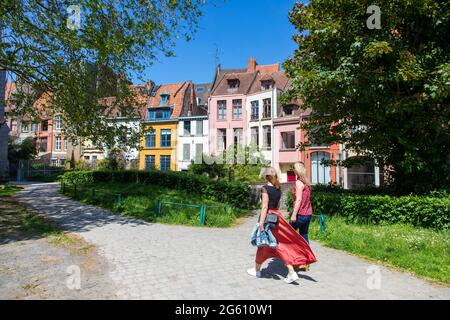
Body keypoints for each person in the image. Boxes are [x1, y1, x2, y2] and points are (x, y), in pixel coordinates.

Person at [247, 166, 317, 284]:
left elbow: (264, 207)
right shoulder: (278, 188)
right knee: (271, 245)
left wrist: (261, 223)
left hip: (268, 218)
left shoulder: (265, 189)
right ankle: (263, 270)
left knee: (266, 244)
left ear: (265, 176)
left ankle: (262, 271)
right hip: (276, 217)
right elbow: (277, 206)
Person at [290, 161, 313, 271]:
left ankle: (294, 260)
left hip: (300, 214)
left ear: (297, 170)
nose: (292, 170)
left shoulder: (299, 183)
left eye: (293, 168)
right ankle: (306, 262)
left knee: (289, 235)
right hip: (308, 213)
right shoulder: (307, 182)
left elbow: (298, 200)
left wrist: (294, 214)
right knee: (304, 236)